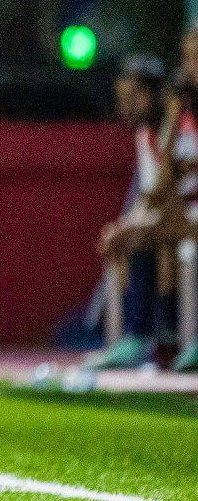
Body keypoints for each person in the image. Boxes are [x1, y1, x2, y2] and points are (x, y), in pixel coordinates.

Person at [84, 55, 167, 369]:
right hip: (166, 215)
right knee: (122, 236)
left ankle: (155, 334)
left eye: (129, 97)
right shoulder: (144, 134)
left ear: (146, 95)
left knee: (140, 236)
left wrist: (135, 225)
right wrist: (127, 224)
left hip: (182, 214)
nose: (124, 106)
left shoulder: (172, 128)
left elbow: (168, 192)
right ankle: (131, 337)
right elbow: (148, 194)